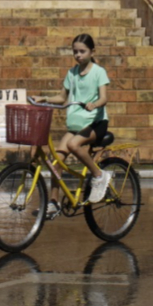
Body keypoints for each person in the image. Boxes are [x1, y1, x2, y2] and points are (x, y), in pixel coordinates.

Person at [35, 34, 112, 214]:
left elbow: (104, 97)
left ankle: (99, 175)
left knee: (73, 144)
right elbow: (62, 98)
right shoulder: (72, 73)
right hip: (76, 125)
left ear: (92, 51)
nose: (78, 55)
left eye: (82, 51)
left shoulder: (99, 72)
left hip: (96, 122)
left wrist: (95, 104)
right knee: (57, 162)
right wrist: (44, 98)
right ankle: (53, 203)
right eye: (75, 51)